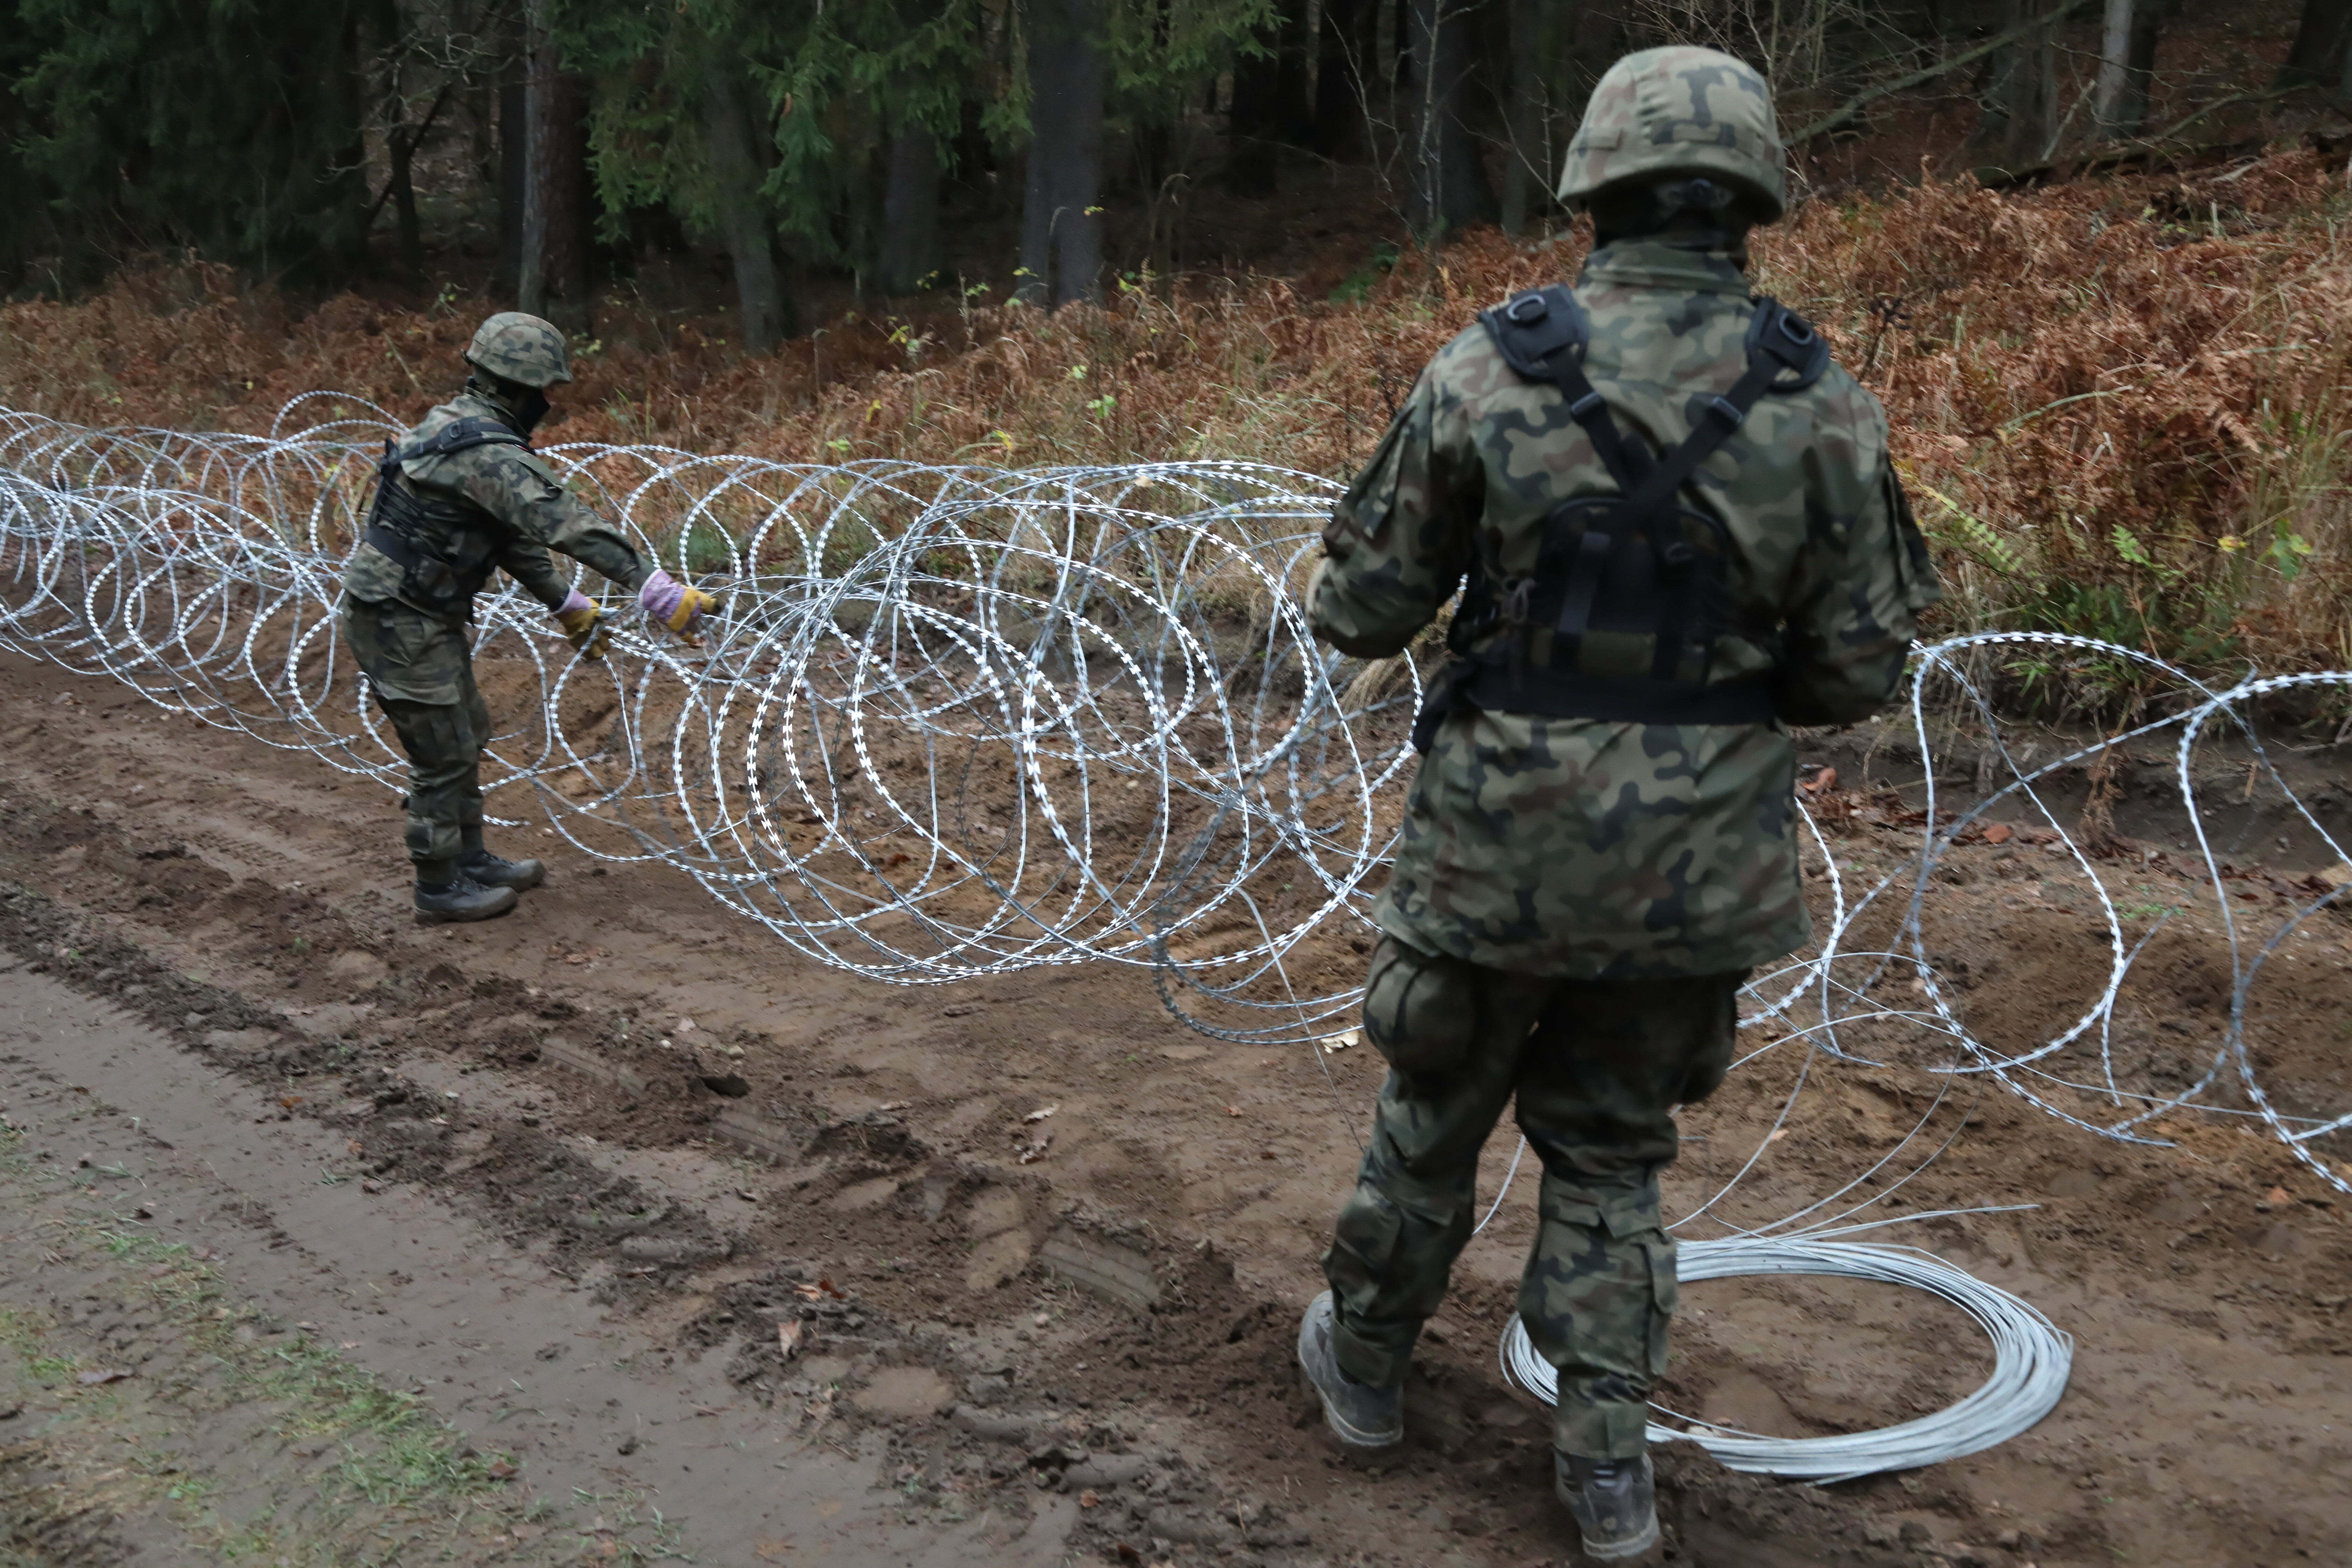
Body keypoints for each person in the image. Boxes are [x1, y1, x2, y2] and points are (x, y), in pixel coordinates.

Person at [1292, 46, 1940, 1562]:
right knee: (1610, 1151)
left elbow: (1365, 606)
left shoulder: (1489, 363)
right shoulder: (1816, 392)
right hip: (1693, 864)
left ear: (1595, 184)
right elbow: (1855, 670)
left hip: (1495, 848)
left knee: (1433, 1112)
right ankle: (1606, 1469)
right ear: (1755, 196)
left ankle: (1368, 1373)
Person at [338, 312, 718, 924]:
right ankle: (438, 888)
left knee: (467, 733)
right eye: (542, 389)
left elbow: (506, 535)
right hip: (397, 617)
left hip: (418, 612)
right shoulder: (484, 452)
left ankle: (469, 857)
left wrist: (563, 602)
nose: (546, 402)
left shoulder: (459, 429)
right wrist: (655, 589)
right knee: (443, 752)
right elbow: (559, 520)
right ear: (514, 386)